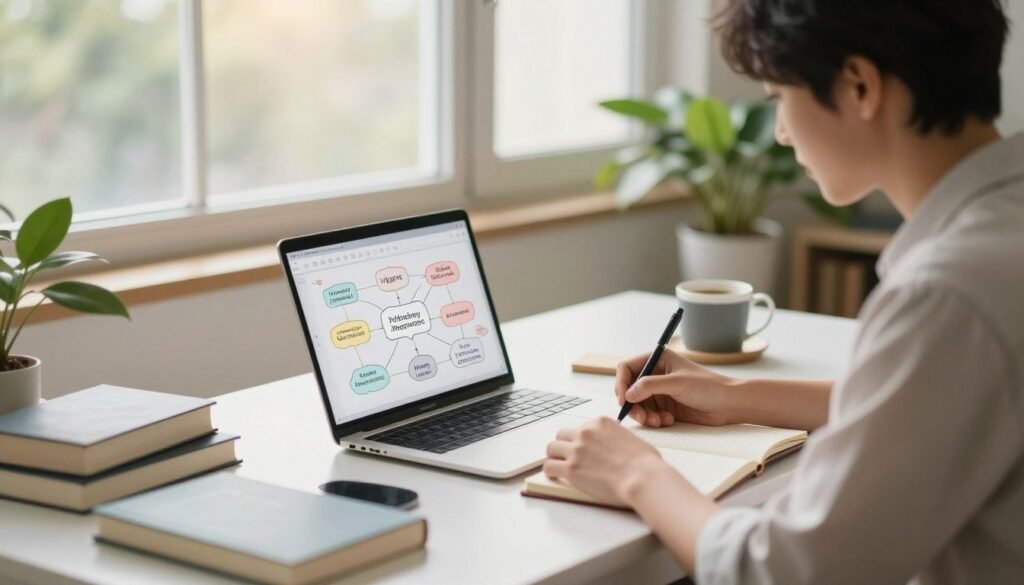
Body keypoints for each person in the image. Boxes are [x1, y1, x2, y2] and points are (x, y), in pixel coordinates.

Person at [542, 1, 1024, 583]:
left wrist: (637, 475)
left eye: (778, 99)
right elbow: (939, 396)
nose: (781, 131)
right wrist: (733, 395)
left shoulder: (948, 291)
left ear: (859, 85)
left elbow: (791, 571)